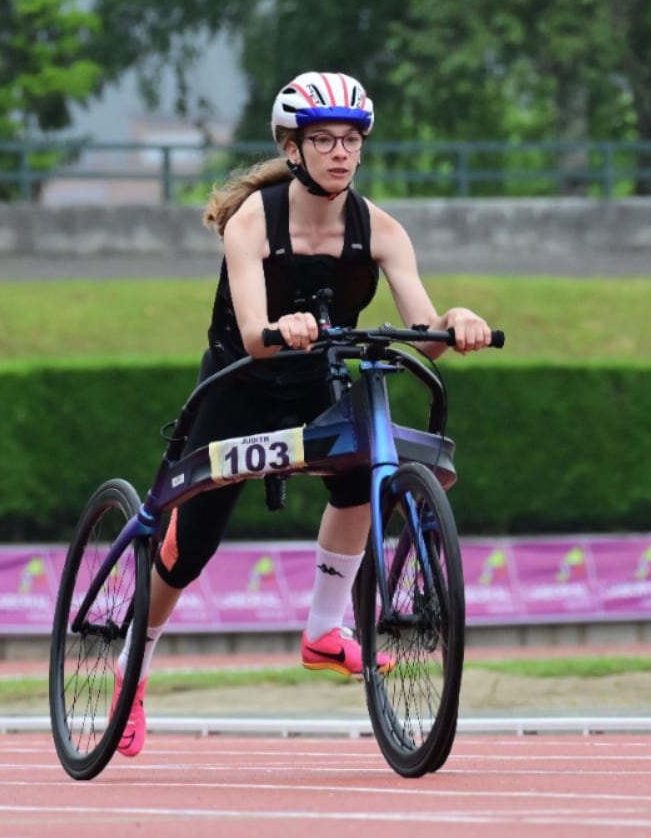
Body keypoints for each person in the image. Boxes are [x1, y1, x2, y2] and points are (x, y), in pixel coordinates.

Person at [112, 71, 494, 757]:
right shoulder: (253, 221)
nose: (341, 153)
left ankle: (325, 626)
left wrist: (455, 322)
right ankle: (130, 666)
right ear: (293, 148)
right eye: (323, 139)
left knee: (360, 475)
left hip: (315, 378)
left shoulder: (380, 229)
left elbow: (424, 328)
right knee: (190, 543)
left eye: (351, 140)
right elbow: (255, 329)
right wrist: (280, 328)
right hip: (238, 384)